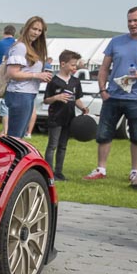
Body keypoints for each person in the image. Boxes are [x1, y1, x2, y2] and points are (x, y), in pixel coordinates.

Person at [84, 6, 137, 184]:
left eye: (136, 20)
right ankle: (100, 168)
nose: (132, 24)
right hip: (113, 96)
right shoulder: (116, 41)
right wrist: (103, 90)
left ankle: (135, 171)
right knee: (104, 133)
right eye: (129, 21)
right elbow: (104, 68)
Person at [43, 50, 90, 180]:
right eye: (72, 65)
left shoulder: (75, 81)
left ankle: (59, 172)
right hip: (55, 118)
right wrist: (56, 97)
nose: (75, 68)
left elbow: (76, 99)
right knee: (52, 145)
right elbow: (46, 100)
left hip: (69, 118)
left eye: (76, 65)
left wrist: (83, 108)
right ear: (63, 64)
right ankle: (49, 173)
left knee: (63, 146)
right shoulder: (53, 81)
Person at [4, 16, 52, 138]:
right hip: (19, 94)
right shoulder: (20, 47)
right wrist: (36, 75)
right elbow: (12, 73)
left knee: (19, 136)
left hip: (28, 94)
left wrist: (41, 77)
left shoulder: (32, 48)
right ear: (27, 28)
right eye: (34, 29)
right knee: (15, 136)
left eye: (39, 30)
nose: (36, 33)